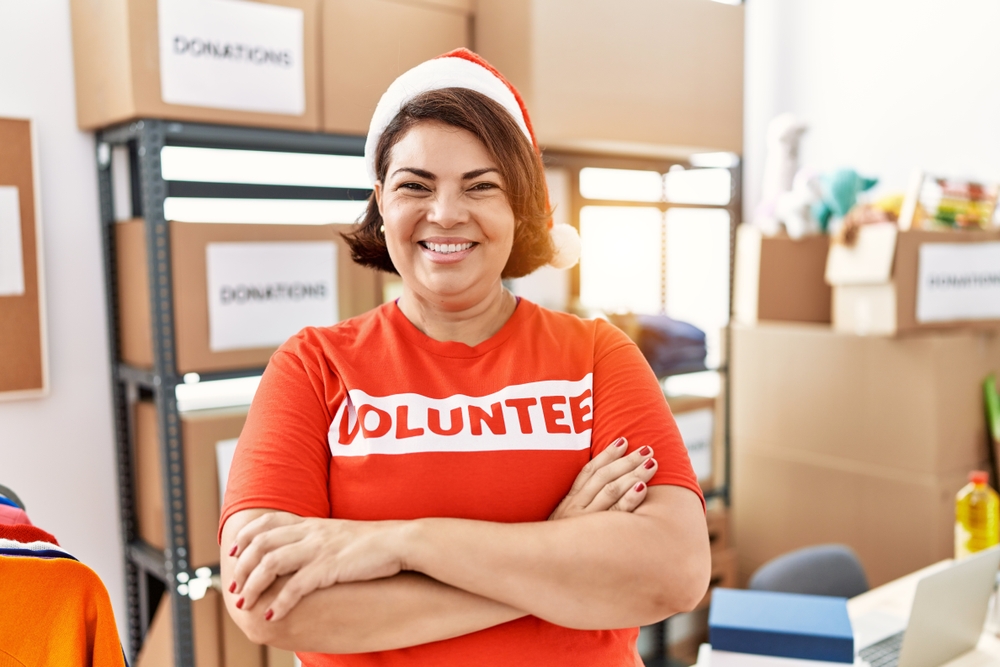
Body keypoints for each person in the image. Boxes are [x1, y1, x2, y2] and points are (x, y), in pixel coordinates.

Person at [219, 48, 710, 667]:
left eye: (481, 187)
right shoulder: (312, 367)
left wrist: (403, 544)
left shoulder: (598, 356)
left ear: (518, 206)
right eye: (414, 186)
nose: (446, 214)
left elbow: (675, 572)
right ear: (380, 201)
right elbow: (268, 602)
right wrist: (558, 555)